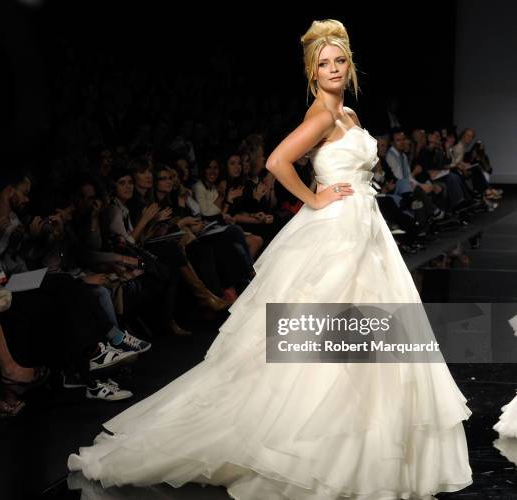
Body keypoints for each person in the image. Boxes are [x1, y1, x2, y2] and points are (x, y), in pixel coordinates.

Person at [68, 19, 473, 498]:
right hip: (336, 234)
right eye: (324, 64)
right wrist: (315, 199)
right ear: (312, 71)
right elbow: (277, 161)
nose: (334, 69)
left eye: (340, 60)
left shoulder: (352, 117)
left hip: (366, 232)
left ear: (350, 64)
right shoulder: (320, 117)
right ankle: (315, 443)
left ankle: (354, 443)